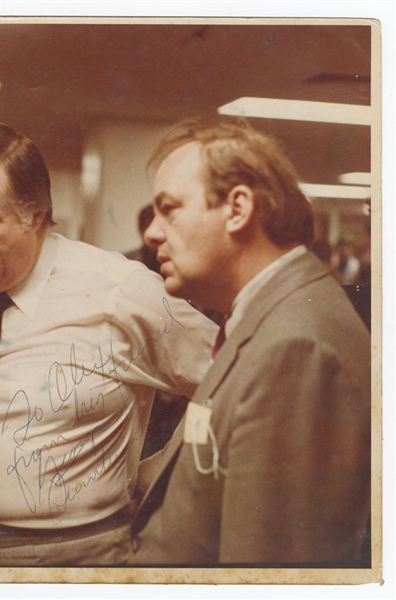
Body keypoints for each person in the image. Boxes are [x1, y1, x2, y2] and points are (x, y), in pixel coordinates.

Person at [0, 122, 218, 566]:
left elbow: (232, 380)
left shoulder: (122, 291)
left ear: (35, 214)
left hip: (77, 560)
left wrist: (163, 477)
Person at [129, 118, 371, 566]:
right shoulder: (270, 318)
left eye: (170, 209)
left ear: (238, 209)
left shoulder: (296, 346)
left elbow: (270, 570)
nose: (152, 233)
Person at [124, 204, 161, 274]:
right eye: (147, 226)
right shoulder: (126, 261)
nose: (153, 233)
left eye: (158, 227)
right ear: (140, 230)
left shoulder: (176, 261)